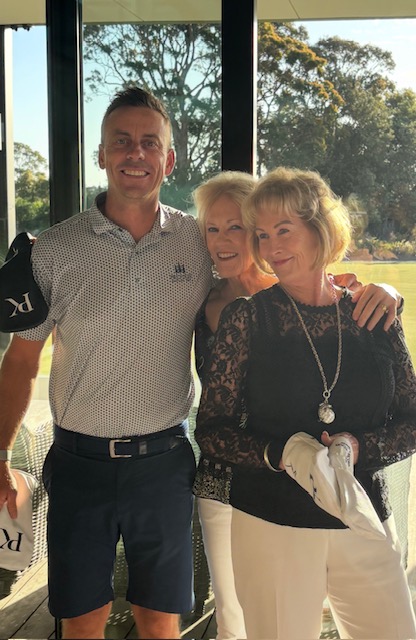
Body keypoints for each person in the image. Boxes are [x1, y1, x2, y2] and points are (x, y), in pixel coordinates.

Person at [0, 87, 212, 639]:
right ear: (100, 154)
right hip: (79, 466)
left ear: (169, 159)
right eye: (121, 141)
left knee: (159, 621)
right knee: (81, 622)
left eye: (149, 142)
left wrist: (353, 286)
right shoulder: (53, 249)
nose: (135, 153)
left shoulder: (198, 244)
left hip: (164, 464)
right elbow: (21, 362)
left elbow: (263, 279)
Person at [195, 166, 416, 640]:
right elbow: (211, 431)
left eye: (284, 230)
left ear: (320, 229)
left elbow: (412, 421)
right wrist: (281, 454)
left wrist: (358, 447)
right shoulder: (246, 319)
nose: (271, 247)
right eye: (262, 235)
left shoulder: (374, 314)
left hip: (363, 517)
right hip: (272, 525)